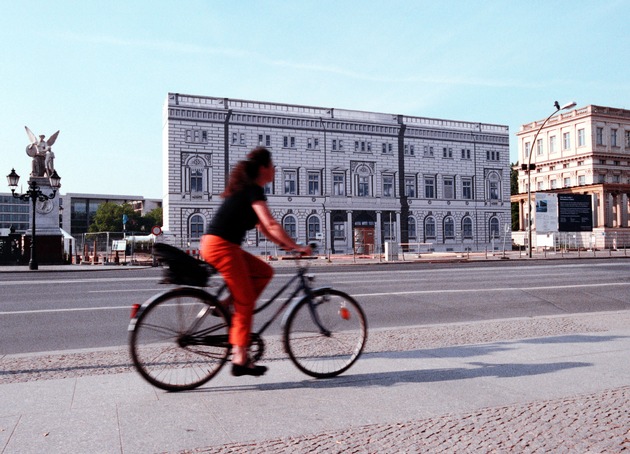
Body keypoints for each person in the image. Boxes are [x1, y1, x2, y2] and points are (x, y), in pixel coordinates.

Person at [200, 147, 311, 377]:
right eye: (272, 165)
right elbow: (271, 224)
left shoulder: (248, 190)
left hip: (220, 245)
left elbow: (264, 228)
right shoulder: (252, 190)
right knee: (246, 301)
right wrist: (297, 247)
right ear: (263, 168)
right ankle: (240, 357)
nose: (275, 169)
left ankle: (226, 304)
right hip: (222, 247)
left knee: (264, 271)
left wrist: (286, 245)